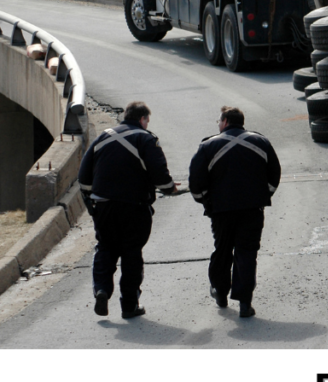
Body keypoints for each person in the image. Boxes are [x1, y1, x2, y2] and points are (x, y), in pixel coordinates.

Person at [78, 101, 178, 319]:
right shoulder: (146, 138)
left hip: (103, 205)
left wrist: (91, 201)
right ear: (142, 119)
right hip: (135, 207)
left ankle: (102, 290)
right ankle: (129, 306)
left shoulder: (102, 137)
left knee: (105, 248)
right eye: (147, 121)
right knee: (132, 253)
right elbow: (159, 173)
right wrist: (169, 188)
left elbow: (84, 176)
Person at [189, 106, 281, 318]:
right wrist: (262, 196)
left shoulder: (207, 145)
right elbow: (274, 173)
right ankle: (244, 302)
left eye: (219, 121)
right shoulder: (261, 142)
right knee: (247, 253)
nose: (218, 125)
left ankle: (220, 292)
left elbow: (196, 180)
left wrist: (204, 201)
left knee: (222, 250)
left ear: (226, 121)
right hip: (252, 209)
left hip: (221, 210)